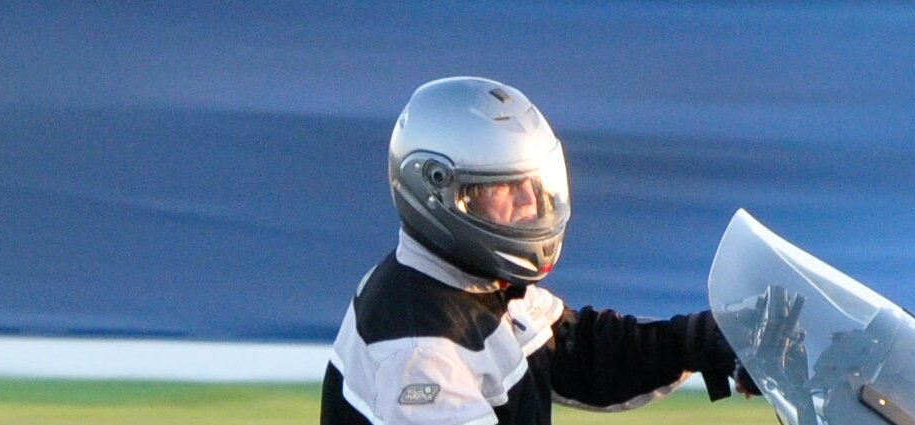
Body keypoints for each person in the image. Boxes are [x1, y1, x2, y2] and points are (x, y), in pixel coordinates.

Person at [321, 76, 748, 424]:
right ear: (441, 192)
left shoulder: (475, 285)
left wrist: (707, 339)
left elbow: (587, 354)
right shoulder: (419, 355)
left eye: (531, 183)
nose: (529, 203)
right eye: (503, 187)